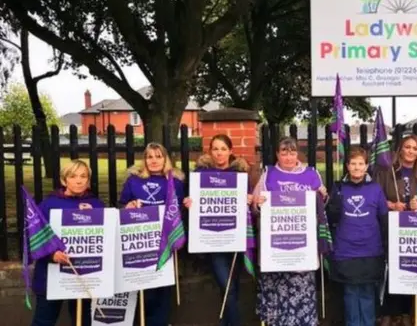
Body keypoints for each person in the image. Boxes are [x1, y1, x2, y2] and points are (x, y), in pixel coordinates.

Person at [252, 136, 328, 326]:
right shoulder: (268, 174)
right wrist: (258, 204)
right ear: (277, 154)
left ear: (297, 154)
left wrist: (324, 196)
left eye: (292, 152)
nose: (288, 156)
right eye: (284, 152)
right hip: (275, 247)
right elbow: (255, 205)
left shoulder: (312, 174)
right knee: (276, 295)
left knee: (301, 295)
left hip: (303, 247)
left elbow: (321, 208)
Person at [185, 134, 255, 326]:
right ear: (210, 151)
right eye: (215, 149)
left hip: (235, 239)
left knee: (233, 289)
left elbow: (248, 206)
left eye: (223, 149)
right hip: (214, 241)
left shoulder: (241, 176)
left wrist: (248, 200)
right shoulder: (200, 176)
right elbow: (192, 203)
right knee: (229, 288)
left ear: (230, 151)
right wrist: (189, 203)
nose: (219, 153)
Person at [118, 142, 191, 326]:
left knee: (163, 289)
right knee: (145, 290)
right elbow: (121, 206)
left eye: (158, 156)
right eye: (149, 156)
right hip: (141, 240)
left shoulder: (175, 182)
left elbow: (182, 210)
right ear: (144, 160)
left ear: (165, 159)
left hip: (166, 240)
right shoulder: (134, 180)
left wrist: (188, 205)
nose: (154, 160)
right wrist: (128, 206)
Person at [31, 159, 106, 326]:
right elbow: (35, 237)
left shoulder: (96, 204)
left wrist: (94, 216)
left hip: (84, 273)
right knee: (44, 320)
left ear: (88, 180)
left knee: (82, 319)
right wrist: (52, 255)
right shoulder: (49, 204)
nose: (79, 180)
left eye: (83, 176)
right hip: (50, 274)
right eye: (73, 176)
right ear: (64, 180)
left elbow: (107, 236)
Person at [326, 147, 388, 326]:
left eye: (361, 164)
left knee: (368, 292)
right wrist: (332, 207)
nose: (357, 168)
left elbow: (383, 219)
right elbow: (330, 220)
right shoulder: (338, 189)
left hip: (370, 249)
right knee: (351, 293)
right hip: (346, 250)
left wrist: (385, 246)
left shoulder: (375, 189)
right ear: (347, 166)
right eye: (353, 164)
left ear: (367, 166)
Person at [373, 135, 417, 326]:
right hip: (390, 226)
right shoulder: (387, 171)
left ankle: (405, 312)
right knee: (391, 268)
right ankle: (387, 312)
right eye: (407, 147)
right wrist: (392, 205)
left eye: (414, 148)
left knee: (410, 268)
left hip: (414, 229)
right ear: (400, 149)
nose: (410, 151)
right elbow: (375, 197)